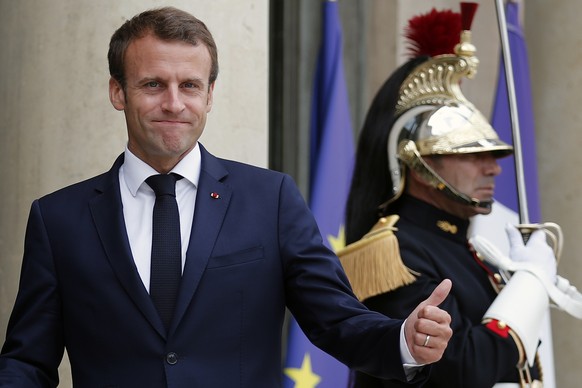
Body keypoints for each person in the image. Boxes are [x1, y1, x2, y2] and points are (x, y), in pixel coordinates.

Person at [0, 6, 454, 387]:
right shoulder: (57, 219)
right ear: (118, 92)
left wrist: (404, 340)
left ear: (210, 94)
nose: (174, 103)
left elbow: (335, 320)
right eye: (153, 84)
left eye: (190, 85)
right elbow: (28, 360)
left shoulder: (271, 199)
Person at [342, 5, 556, 388]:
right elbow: (461, 368)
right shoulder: (395, 252)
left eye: (491, 155)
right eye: (472, 156)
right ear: (419, 163)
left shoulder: (464, 248)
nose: (493, 168)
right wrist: (530, 284)